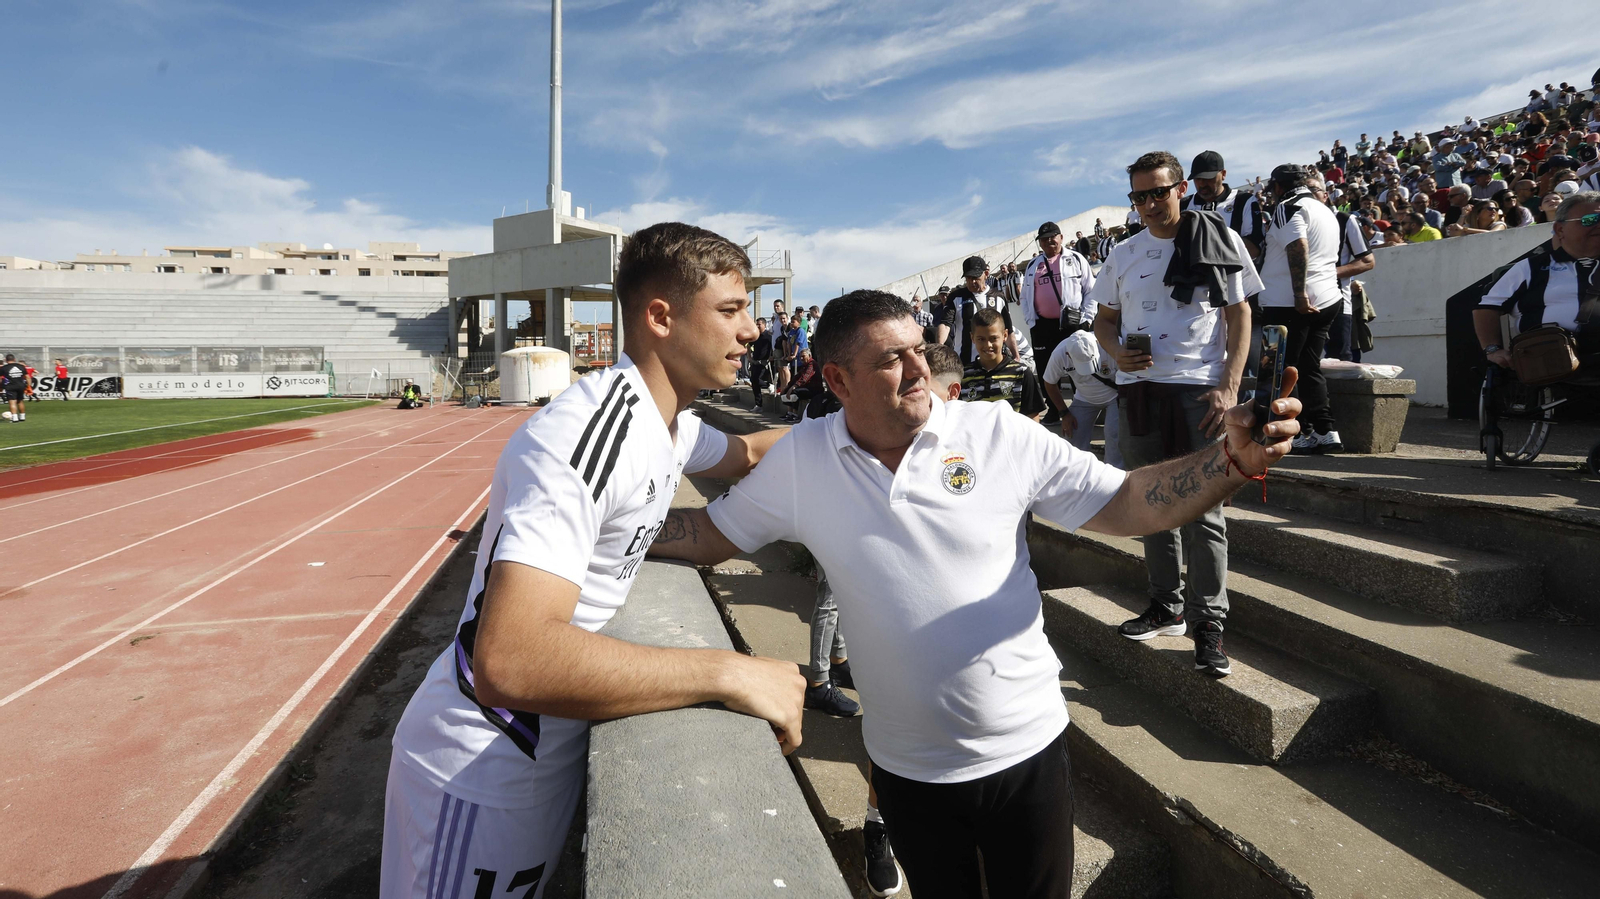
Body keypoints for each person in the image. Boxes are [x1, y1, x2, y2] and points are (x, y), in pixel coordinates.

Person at [648, 290, 1303, 899]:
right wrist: (582, 525)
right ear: (839, 381)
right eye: (890, 360)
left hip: (1029, 753)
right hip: (908, 773)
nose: (915, 369)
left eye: (917, 350)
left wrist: (1231, 460)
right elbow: (706, 534)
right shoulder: (803, 458)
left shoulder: (997, 433)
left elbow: (1129, 501)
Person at [382, 222, 803, 899]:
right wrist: (727, 670)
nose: (752, 329)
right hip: (480, 773)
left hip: (538, 762)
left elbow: (753, 450)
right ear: (661, 317)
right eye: (731, 310)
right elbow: (509, 659)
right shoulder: (584, 435)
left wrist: (868, 427)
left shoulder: (668, 424)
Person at [1092, 150, 1260, 679]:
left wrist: (1229, 386)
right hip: (1139, 390)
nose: (1147, 204)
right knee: (1149, 503)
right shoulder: (1122, 254)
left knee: (1203, 510)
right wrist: (1116, 354)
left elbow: (1240, 314)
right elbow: (1103, 323)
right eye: (1138, 196)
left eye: (1157, 192)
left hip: (1198, 390)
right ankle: (1166, 604)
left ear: (1180, 188)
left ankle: (1209, 622)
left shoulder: (1218, 237)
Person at [1258, 164, 1346, 455]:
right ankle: (1325, 430)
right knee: (1309, 367)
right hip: (1327, 299)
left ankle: (1293, 433)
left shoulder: (1287, 206)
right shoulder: (1324, 209)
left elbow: (1298, 246)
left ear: (1279, 187)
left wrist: (1298, 294)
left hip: (1289, 303)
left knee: (1279, 371)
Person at [1475, 191, 1600, 366]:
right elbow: (1487, 307)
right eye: (1590, 220)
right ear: (1560, 229)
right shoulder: (1530, 268)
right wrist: (1492, 350)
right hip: (1552, 368)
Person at [1019, 223, 1096, 421]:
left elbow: (1091, 292)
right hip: (1042, 326)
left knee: (1078, 366)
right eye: (1044, 239)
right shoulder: (1032, 265)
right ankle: (1054, 409)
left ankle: (1085, 407)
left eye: (1052, 237)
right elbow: (1025, 297)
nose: (1049, 241)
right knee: (1046, 369)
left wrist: (1086, 320)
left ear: (1061, 237)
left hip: (1073, 325)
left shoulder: (1077, 259)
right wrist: (1031, 321)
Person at [1308, 174, 1376, 363]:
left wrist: (1327, 274)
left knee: (1340, 359)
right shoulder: (1295, 222)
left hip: (1336, 302)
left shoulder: (1345, 220)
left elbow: (1367, 261)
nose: (1308, 197)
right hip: (1300, 302)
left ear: (1325, 195)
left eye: (1313, 191)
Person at [1041, 329, 1123, 468]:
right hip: (1084, 398)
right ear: (1068, 354)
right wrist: (1064, 413)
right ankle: (1076, 473)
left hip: (1114, 396)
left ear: (1097, 344)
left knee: (1113, 433)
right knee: (1072, 435)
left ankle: (1115, 474)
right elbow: (1049, 382)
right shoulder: (1059, 353)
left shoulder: (1112, 344)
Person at [1180, 151, 1266, 265]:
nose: (1202, 184)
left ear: (1223, 174)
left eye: (1208, 178)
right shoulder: (1183, 205)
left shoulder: (1244, 201)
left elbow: (1254, 248)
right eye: (1197, 178)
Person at [960, 307, 1046, 420]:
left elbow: (1033, 418)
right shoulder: (963, 376)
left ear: (1005, 335)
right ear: (972, 337)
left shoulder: (1021, 374)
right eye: (981, 339)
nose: (988, 345)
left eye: (993, 338)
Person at [939, 256, 1018, 365]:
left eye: (976, 277)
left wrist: (1016, 355)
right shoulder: (956, 297)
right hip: (965, 362)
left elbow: (1008, 330)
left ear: (986, 274)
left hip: (995, 363)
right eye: (968, 278)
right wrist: (939, 347)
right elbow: (945, 324)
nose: (972, 281)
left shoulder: (998, 297)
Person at [781, 347, 824, 423]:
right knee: (788, 390)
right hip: (807, 387)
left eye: (803, 356)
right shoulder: (804, 365)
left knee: (795, 392)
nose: (801, 358)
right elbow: (797, 377)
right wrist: (788, 386)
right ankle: (789, 413)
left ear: (809, 355)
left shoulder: (812, 364)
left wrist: (794, 387)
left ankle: (795, 415)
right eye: (800, 357)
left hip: (814, 389)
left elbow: (804, 378)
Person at [1, 355, 27, 422]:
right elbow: (27, 377)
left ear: (6, 360)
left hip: (11, 386)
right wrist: (29, 386)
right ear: (14, 359)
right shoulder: (21, 366)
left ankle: (14, 418)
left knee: (12, 402)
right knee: (20, 401)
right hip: (21, 385)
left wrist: (1, 387)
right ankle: (22, 417)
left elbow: (0, 379)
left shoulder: (4, 368)